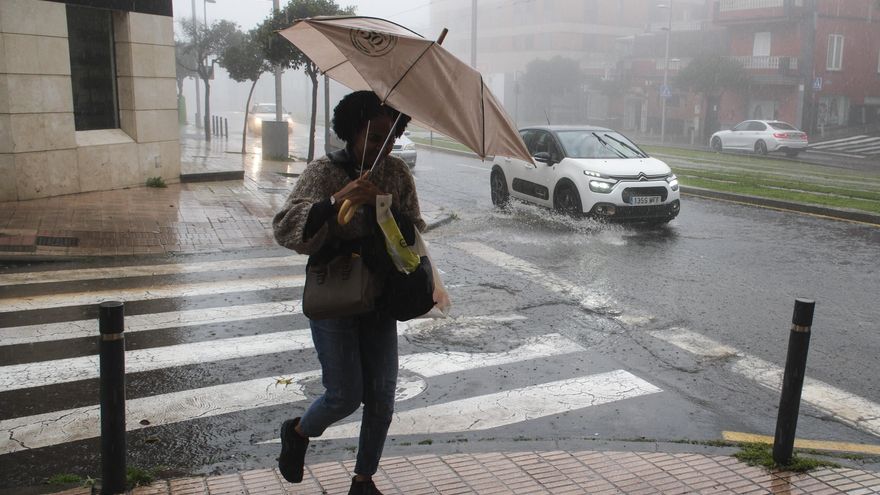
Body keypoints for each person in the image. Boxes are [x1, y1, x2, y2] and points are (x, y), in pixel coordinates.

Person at [272, 91, 424, 495]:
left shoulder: (396, 175)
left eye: (391, 138)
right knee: (344, 394)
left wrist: (381, 204)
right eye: (375, 138)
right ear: (352, 132)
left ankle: (363, 480)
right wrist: (338, 198)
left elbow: (413, 234)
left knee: (382, 398)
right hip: (335, 294)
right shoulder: (324, 171)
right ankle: (299, 432)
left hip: (380, 296)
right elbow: (287, 227)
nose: (384, 147)